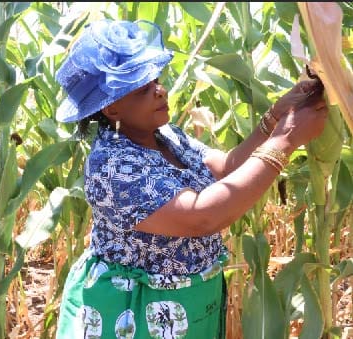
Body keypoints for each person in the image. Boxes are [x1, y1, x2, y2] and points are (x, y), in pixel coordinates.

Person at [54, 19, 327, 338]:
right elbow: (201, 217)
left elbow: (227, 168)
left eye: (156, 80)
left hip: (184, 304)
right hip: (134, 309)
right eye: (144, 89)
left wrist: (276, 116)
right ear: (112, 109)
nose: (160, 91)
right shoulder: (113, 165)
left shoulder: (165, 135)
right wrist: (284, 142)